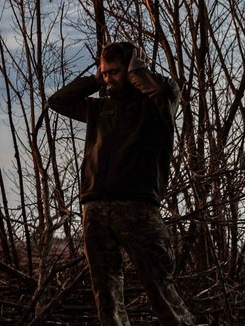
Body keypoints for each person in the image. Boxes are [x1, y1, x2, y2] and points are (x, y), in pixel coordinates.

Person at [47, 41, 196, 326]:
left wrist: (138, 72)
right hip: (95, 208)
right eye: (104, 73)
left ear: (131, 69)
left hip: (137, 206)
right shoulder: (99, 108)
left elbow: (164, 91)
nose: (108, 79)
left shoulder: (156, 105)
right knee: (106, 293)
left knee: (159, 285)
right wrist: (94, 79)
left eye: (114, 72)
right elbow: (57, 101)